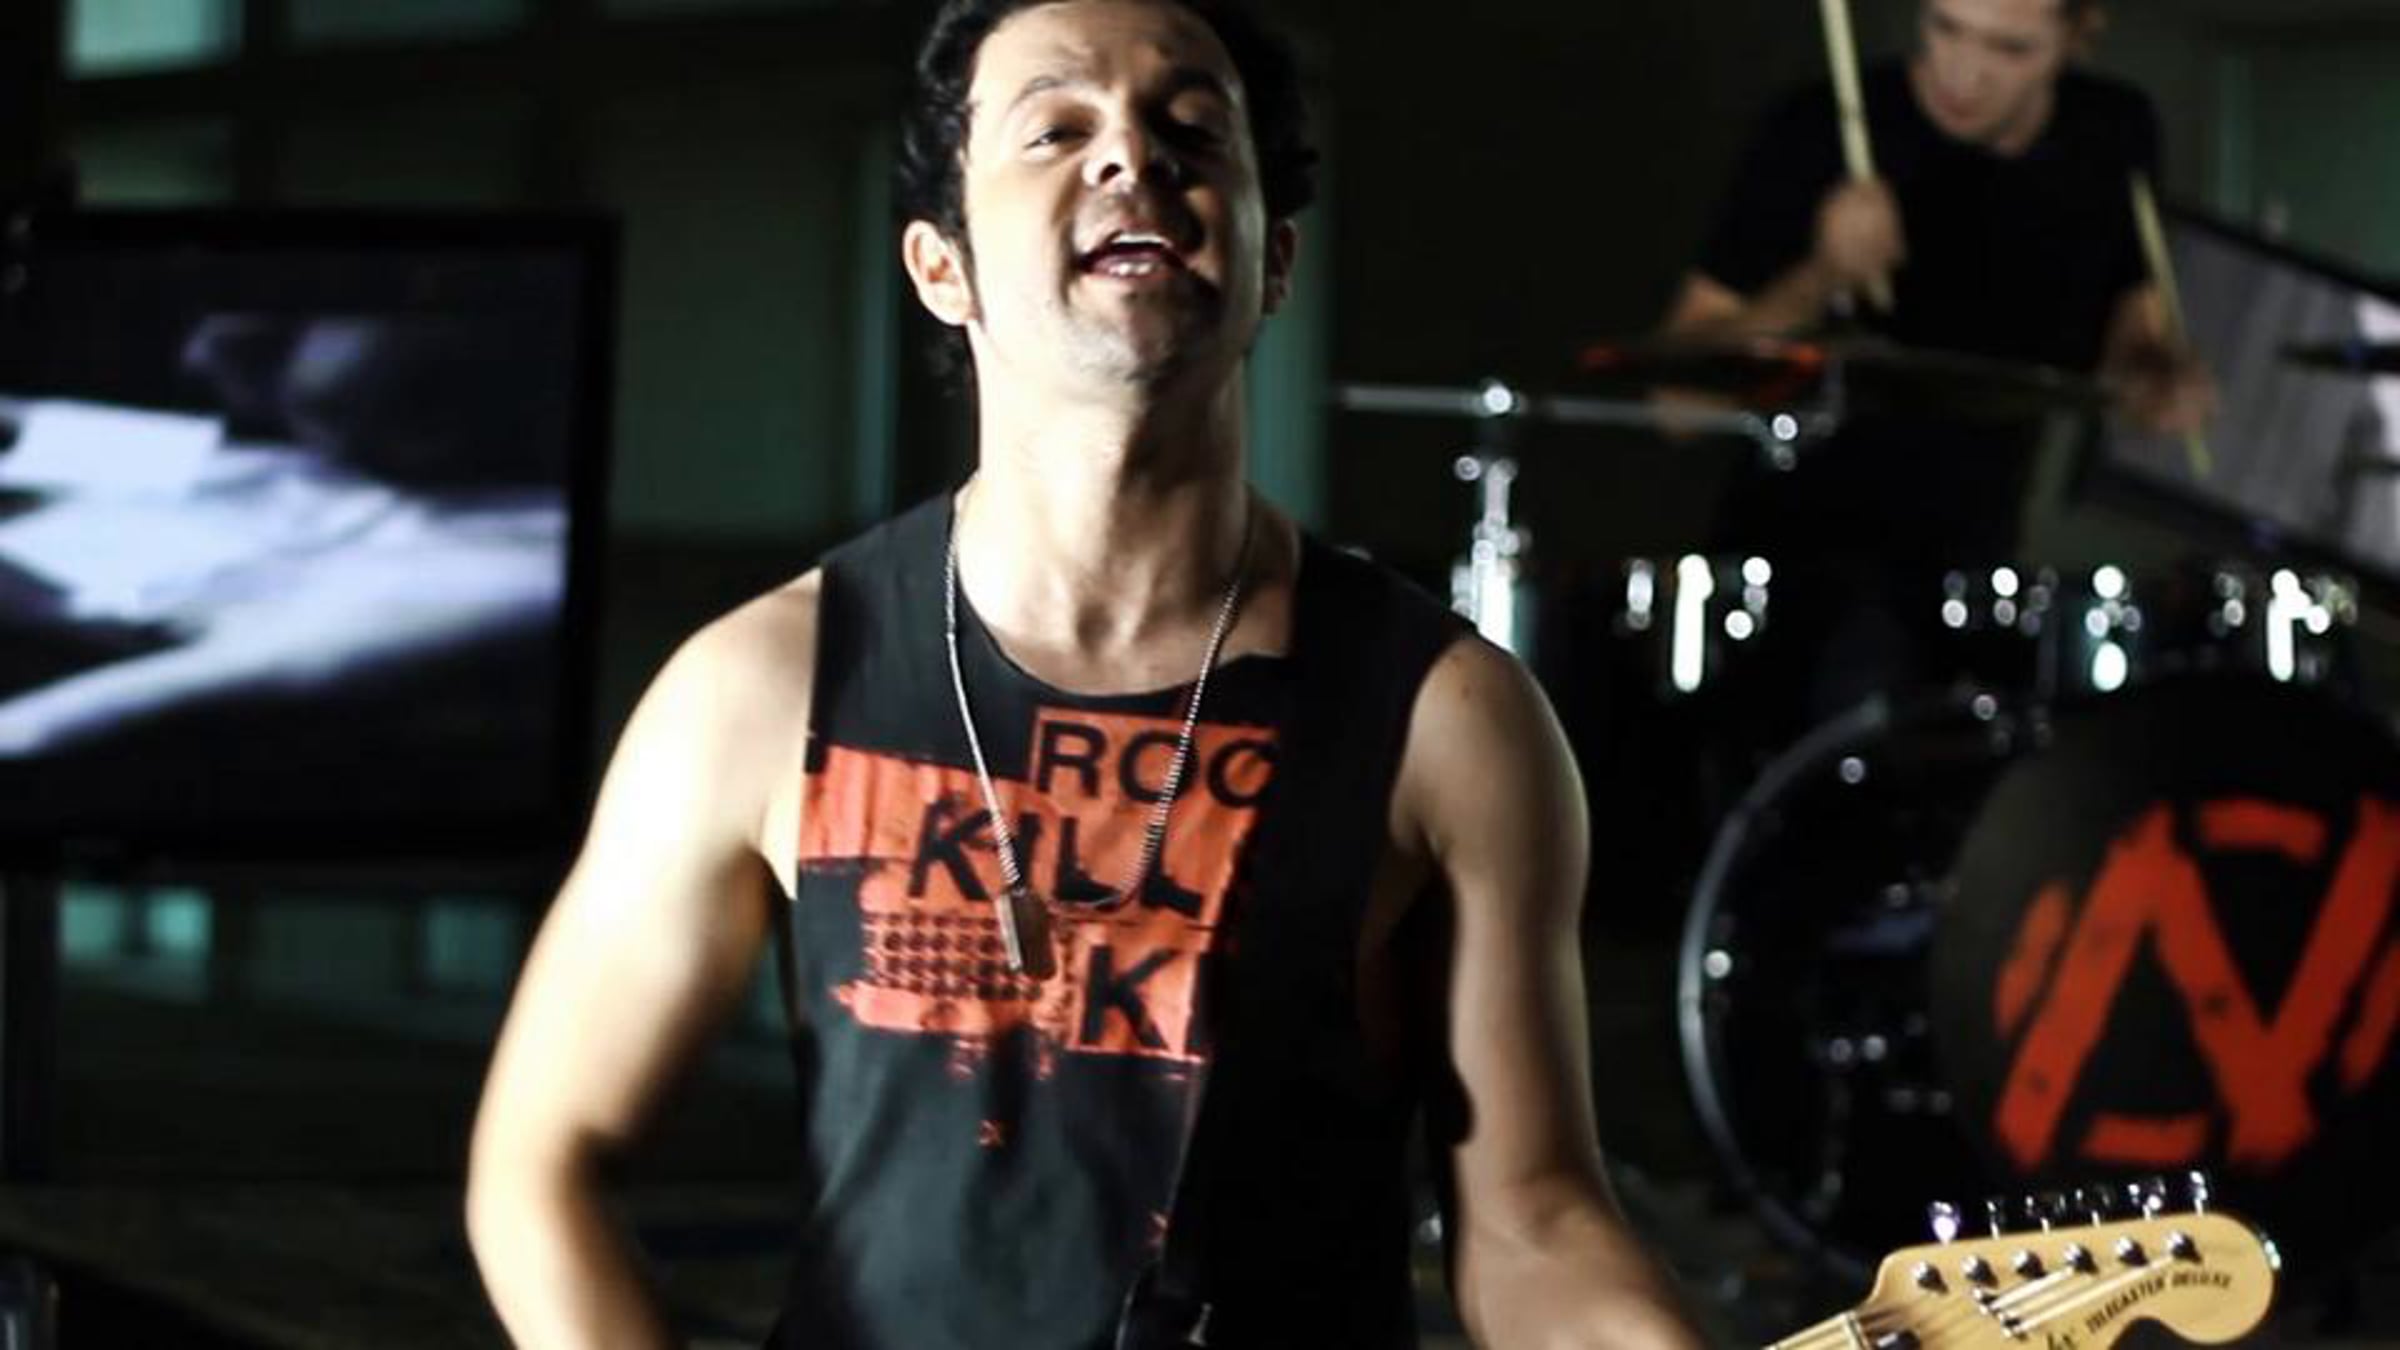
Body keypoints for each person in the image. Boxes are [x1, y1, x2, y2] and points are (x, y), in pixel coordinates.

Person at [466, 2, 1707, 1347]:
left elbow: (1530, 1222)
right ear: (942, 267)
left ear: (1274, 260)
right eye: (1056, 128)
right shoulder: (761, 689)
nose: (1132, 155)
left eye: (1192, 129)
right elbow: (540, 1167)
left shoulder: (1450, 721)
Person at [1662, 0, 2211, 431]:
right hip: (1792, 525)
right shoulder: (1815, 127)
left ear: (2079, 33)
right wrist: (1822, 276)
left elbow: (2135, 335)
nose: (1963, 77)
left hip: (1995, 530)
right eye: (1946, 27)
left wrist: (2154, 378)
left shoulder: (2114, 129)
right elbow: (1676, 408)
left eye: (2011, 48)